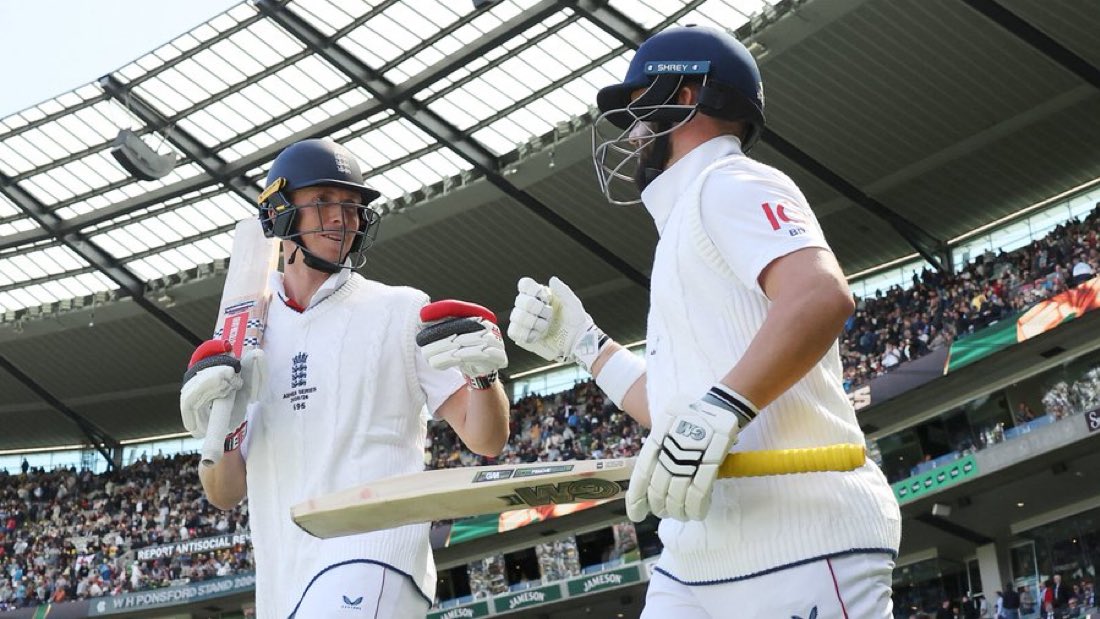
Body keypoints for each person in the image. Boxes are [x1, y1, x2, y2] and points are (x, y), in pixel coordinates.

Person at [507, 25, 900, 617]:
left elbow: (820, 295)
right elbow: (677, 411)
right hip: (694, 559)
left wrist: (724, 406)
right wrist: (586, 344)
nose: (633, 133)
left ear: (685, 96)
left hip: (802, 538)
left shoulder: (730, 181)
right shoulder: (684, 224)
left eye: (639, 110)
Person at [179, 138, 510, 618]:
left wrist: (483, 378)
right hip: (284, 583)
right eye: (323, 201)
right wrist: (223, 429)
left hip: (377, 553)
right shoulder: (244, 338)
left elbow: (486, 437)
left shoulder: (402, 309)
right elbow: (224, 492)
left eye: (352, 206)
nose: (341, 218)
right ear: (277, 212)